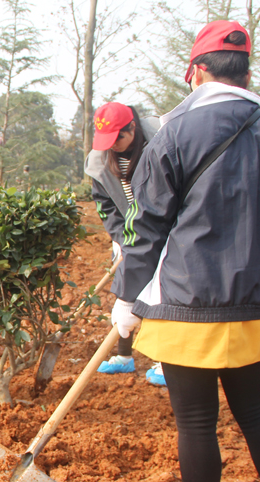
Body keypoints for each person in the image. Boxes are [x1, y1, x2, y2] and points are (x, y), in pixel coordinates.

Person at [109, 21, 260, 482]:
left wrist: (126, 297)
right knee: (254, 412)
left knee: (197, 422)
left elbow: (146, 226)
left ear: (198, 71)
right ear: (246, 72)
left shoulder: (174, 133)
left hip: (186, 303)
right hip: (254, 301)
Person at [84, 101, 166, 386]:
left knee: (165, 293)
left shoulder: (162, 142)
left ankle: (166, 361)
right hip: (129, 232)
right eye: (107, 140)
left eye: (119, 137)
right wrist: (121, 238)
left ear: (133, 127)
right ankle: (123, 357)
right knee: (124, 289)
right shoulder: (100, 161)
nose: (113, 145)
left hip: (167, 229)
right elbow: (106, 205)